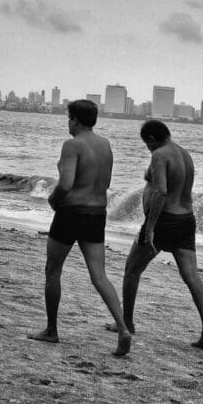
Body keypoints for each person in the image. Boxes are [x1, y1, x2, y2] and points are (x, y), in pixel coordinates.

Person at [29, 99, 131, 356]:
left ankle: (51, 330)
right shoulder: (106, 145)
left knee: (53, 270)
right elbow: (105, 182)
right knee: (99, 275)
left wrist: (52, 200)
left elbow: (65, 184)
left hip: (71, 213)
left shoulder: (72, 145)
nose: (68, 122)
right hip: (96, 214)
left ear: (74, 119)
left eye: (68, 118)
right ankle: (122, 328)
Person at [112, 120, 203, 348]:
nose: (148, 150)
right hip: (186, 220)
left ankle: (127, 323)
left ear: (150, 140)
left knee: (132, 269)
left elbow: (160, 191)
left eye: (146, 145)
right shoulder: (184, 154)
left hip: (163, 221)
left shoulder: (159, 154)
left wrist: (149, 228)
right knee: (191, 275)